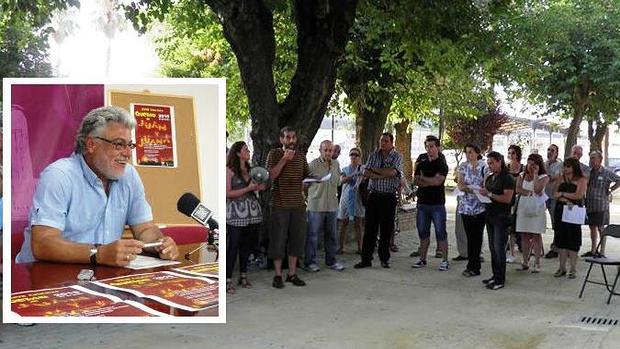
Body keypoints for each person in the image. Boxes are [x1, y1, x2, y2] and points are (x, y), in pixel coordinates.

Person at [15, 106, 179, 265]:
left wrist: (160, 243)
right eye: (118, 144)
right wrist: (97, 253)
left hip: (95, 275)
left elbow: (144, 229)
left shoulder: (129, 175)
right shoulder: (59, 175)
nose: (128, 153)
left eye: (130, 145)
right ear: (91, 145)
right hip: (41, 278)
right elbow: (43, 243)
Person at [266, 126, 310, 288]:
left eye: (293, 137)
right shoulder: (274, 154)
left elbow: (306, 176)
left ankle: (292, 274)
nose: (291, 140)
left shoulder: (301, 156)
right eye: (287, 137)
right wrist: (284, 159)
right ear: (281, 139)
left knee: (296, 240)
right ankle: (278, 275)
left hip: (298, 204)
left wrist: (314, 180)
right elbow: (271, 175)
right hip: (280, 204)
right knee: (278, 240)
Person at [354, 132, 403, 269]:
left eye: (386, 141)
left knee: (386, 229)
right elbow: (365, 173)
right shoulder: (373, 155)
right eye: (381, 141)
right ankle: (366, 259)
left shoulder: (397, 156)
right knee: (370, 228)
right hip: (374, 195)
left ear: (392, 143)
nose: (383, 143)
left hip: (388, 196)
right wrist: (383, 173)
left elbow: (394, 173)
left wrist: (375, 172)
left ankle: (384, 258)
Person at [226, 141, 267, 294]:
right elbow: (228, 193)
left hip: (252, 214)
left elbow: (257, 187)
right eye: (245, 149)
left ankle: (243, 275)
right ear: (237, 153)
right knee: (233, 246)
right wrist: (248, 188)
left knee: (246, 246)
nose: (248, 151)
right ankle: (228, 279)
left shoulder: (251, 170)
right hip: (236, 214)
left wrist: (260, 187)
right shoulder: (229, 170)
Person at [305, 140, 345, 272]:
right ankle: (310, 262)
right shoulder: (313, 164)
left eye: (330, 150)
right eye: (326, 150)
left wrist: (342, 178)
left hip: (332, 205)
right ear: (320, 151)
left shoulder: (336, 164)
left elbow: (337, 182)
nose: (328, 153)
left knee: (332, 235)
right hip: (316, 205)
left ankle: (331, 261)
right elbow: (304, 183)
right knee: (313, 235)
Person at [411, 135, 450, 271]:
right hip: (422, 203)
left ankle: (445, 260)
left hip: (437, 204)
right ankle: (422, 259)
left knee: (441, 232)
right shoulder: (421, 163)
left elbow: (438, 181)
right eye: (427, 146)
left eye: (432, 146)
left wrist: (424, 180)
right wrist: (429, 180)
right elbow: (416, 180)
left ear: (437, 147)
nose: (429, 149)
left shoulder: (442, 164)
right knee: (423, 232)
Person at [479, 151, 515, 290]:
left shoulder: (508, 178)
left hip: (501, 217)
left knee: (499, 248)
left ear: (500, 162)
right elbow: (486, 191)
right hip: (490, 215)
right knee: (493, 248)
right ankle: (495, 275)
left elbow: (507, 199)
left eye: (492, 163)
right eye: (488, 163)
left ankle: (500, 279)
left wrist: (489, 194)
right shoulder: (491, 176)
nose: (490, 165)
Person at [553, 158, 587, 279]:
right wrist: (565, 198)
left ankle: (573, 268)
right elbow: (555, 194)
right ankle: (562, 267)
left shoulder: (581, 179)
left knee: (573, 240)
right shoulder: (561, 178)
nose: (565, 169)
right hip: (561, 210)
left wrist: (563, 194)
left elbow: (579, 195)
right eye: (564, 166)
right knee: (561, 240)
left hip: (574, 211)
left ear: (574, 167)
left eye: (568, 166)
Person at [515, 153, 549, 273]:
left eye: (534, 164)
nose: (531, 166)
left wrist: (535, 175)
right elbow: (518, 189)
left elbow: (537, 189)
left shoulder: (544, 177)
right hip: (524, 207)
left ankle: (537, 262)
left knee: (536, 235)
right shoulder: (521, 175)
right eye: (529, 163)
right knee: (524, 235)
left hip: (537, 209)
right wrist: (529, 194)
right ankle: (525, 261)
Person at [456, 144, 487, 277]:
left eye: (471, 152)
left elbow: (485, 186)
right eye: (467, 152)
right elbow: (461, 185)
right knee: (469, 236)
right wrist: (472, 189)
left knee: (477, 236)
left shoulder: (484, 167)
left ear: (477, 153)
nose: (468, 155)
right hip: (466, 206)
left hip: (480, 207)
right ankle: (471, 264)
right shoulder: (463, 166)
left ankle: (475, 265)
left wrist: (473, 188)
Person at [583, 150, 620, 257]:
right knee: (592, 227)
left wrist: (610, 190)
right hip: (589, 205)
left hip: (601, 205)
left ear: (600, 159)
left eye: (593, 158)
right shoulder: (589, 172)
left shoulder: (606, 172)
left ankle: (602, 251)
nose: (591, 161)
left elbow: (618, 180)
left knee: (601, 228)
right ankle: (593, 250)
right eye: (590, 158)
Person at [337, 147, 365, 255]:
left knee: (358, 224)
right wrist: (354, 174)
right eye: (352, 154)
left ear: (359, 157)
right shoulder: (345, 169)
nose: (353, 156)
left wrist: (359, 173)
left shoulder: (363, 169)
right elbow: (342, 180)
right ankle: (341, 247)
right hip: (346, 198)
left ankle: (360, 247)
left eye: (356, 155)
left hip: (357, 198)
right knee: (344, 223)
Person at [544, 144, 563, 259]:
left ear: (556, 153)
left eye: (552, 150)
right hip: (543, 196)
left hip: (553, 197)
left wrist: (545, 167)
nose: (550, 152)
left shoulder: (559, 165)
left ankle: (556, 248)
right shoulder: (545, 164)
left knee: (555, 223)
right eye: (548, 149)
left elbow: (550, 178)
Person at [506, 144, 524, 264]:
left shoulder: (523, 168)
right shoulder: (506, 167)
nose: (511, 155)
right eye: (510, 152)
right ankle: (511, 252)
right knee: (510, 228)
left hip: (520, 200)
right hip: (509, 199)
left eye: (513, 152)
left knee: (520, 227)